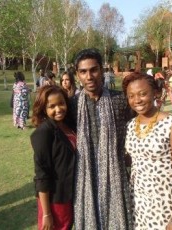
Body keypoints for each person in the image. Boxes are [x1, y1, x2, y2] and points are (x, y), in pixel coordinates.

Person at [72, 48, 133, 229]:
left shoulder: (120, 100)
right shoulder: (73, 105)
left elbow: (143, 121)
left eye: (94, 70)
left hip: (116, 174)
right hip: (86, 176)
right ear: (78, 75)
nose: (89, 76)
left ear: (102, 70)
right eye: (83, 72)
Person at [122, 72, 172, 230]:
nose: (137, 100)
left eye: (143, 94)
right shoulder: (130, 126)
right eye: (131, 96)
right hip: (139, 204)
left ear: (156, 93)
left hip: (166, 205)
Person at [30, 85, 76, 230]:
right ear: (44, 109)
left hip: (69, 195)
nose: (58, 109)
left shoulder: (68, 125)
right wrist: (46, 213)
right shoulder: (43, 133)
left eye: (61, 103)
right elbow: (42, 174)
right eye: (52, 106)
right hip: (55, 200)